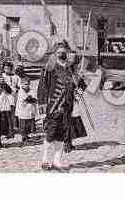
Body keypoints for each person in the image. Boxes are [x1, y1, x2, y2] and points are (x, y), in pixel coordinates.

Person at [37, 41, 87, 171]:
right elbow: (42, 88)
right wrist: (42, 107)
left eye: (63, 51)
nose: (61, 54)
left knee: (62, 135)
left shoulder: (71, 68)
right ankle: (45, 160)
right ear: (54, 53)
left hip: (67, 107)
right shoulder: (49, 68)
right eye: (58, 52)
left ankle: (57, 161)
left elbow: (81, 83)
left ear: (66, 52)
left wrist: (80, 88)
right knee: (50, 134)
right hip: (53, 107)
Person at [15, 77, 38, 145]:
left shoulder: (31, 90)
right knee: (23, 125)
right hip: (23, 111)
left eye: (27, 84)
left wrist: (31, 99)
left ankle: (27, 135)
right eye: (25, 84)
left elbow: (34, 98)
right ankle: (24, 138)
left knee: (29, 124)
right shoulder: (20, 91)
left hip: (30, 110)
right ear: (21, 85)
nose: (26, 86)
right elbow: (25, 99)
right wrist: (30, 99)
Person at [3, 61, 20, 130]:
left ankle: (15, 126)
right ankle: (7, 128)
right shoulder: (2, 76)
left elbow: (20, 86)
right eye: (6, 69)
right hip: (5, 96)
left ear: (12, 68)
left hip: (14, 97)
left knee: (14, 112)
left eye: (9, 69)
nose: (7, 70)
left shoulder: (16, 77)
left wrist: (17, 89)